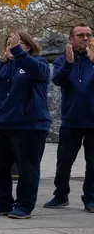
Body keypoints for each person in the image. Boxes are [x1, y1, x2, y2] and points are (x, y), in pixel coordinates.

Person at [0, 30, 51, 219]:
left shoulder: (39, 63)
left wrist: (19, 52)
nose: (11, 48)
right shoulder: (1, 66)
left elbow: (37, 71)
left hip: (29, 126)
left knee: (27, 169)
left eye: (17, 44)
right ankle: (2, 202)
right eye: (9, 44)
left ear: (28, 46)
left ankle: (24, 205)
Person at [45, 23, 94, 212]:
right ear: (71, 39)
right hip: (71, 119)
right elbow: (58, 80)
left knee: (92, 163)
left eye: (88, 35)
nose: (86, 38)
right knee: (64, 161)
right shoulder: (62, 59)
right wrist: (68, 63)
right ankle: (60, 195)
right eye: (81, 35)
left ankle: (90, 198)